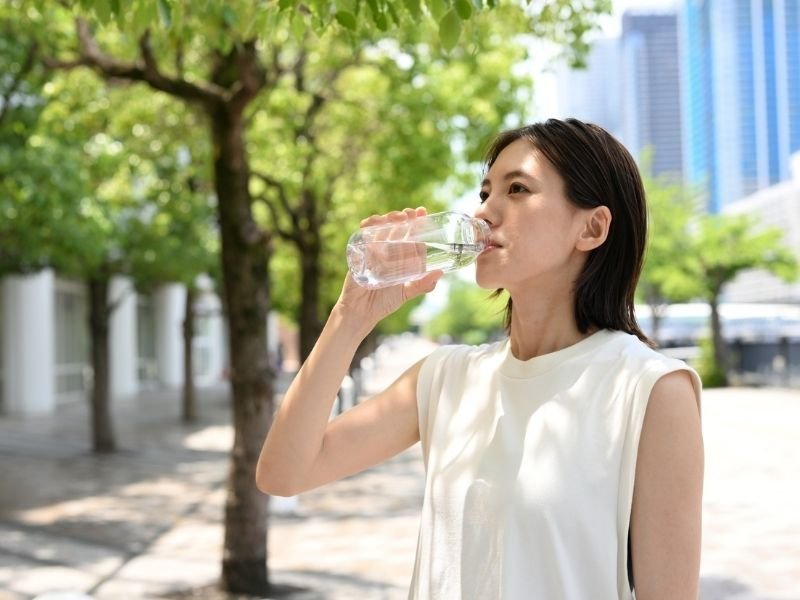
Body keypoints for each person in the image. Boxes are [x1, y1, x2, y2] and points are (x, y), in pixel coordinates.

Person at [256, 118, 703, 600]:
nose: (485, 212)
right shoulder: (446, 377)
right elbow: (284, 474)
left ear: (592, 228)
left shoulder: (649, 389)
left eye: (517, 189)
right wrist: (349, 317)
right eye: (485, 192)